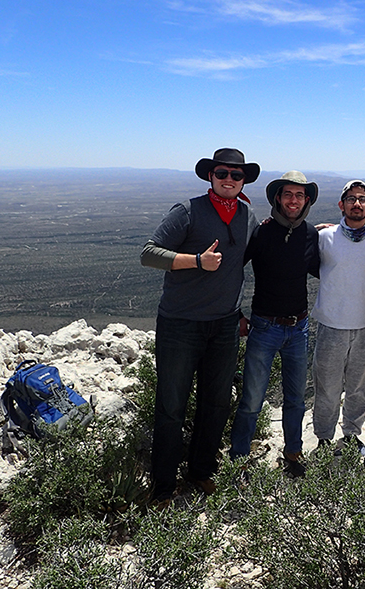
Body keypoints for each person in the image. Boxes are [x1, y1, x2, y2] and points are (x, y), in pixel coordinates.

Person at [141, 148, 260, 502]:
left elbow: (245, 263)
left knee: (216, 403)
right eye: (223, 173)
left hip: (223, 325)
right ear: (211, 175)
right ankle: (162, 487)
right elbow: (149, 253)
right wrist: (196, 261)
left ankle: (201, 472)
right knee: (171, 406)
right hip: (181, 324)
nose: (229, 180)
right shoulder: (187, 211)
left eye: (236, 176)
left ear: (243, 181)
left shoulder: (247, 215)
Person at [228, 171, 320, 477]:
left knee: (296, 399)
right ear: (277, 198)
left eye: (299, 196)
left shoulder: (310, 234)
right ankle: (238, 460)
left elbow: (327, 269)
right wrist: (235, 312)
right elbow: (231, 271)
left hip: (299, 328)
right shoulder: (261, 233)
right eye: (288, 194)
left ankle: (293, 455)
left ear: (306, 201)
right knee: (252, 400)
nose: (293, 201)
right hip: (264, 327)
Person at [311, 180, 365, 455]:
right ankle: (323, 439)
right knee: (327, 388)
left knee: (360, 388)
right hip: (331, 325)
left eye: (362, 199)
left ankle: (351, 435)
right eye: (351, 198)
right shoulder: (324, 238)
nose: (356, 203)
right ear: (341, 204)